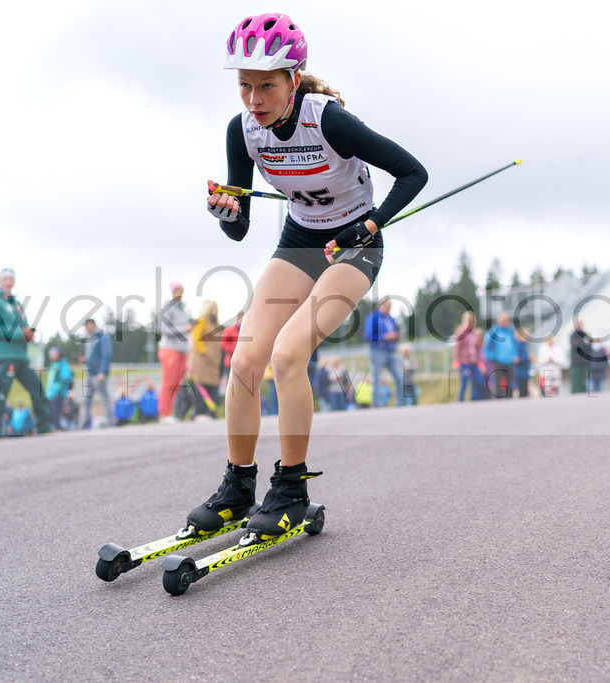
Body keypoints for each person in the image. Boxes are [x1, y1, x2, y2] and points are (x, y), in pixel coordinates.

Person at [187, 13, 427, 542]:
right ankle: (237, 487)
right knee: (246, 357)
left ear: (294, 79)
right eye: (244, 86)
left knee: (289, 354)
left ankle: (291, 489)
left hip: (354, 247)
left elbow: (413, 172)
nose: (254, 99)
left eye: (267, 85)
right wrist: (227, 212)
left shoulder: (330, 121)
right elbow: (240, 228)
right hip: (299, 242)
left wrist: (373, 222)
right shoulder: (242, 131)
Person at [0, 268, 52, 439]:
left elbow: (24, 327)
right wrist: (20, 334)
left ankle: (44, 429)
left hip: (22, 357)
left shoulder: (17, 304)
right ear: (0, 281)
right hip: (4, 356)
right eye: (5, 278)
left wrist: (28, 334)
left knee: (39, 391)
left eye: (11, 279)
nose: (8, 282)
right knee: (0, 395)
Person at [158, 282, 193, 423]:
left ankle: (169, 413)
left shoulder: (182, 309)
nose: (180, 293)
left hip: (181, 350)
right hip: (169, 349)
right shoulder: (168, 307)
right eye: (177, 290)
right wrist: (184, 328)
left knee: (177, 383)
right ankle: (164, 414)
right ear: (172, 291)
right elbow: (164, 329)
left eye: (182, 290)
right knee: (168, 382)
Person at [364, 298, 404, 408]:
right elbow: (368, 336)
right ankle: (377, 406)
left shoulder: (390, 319)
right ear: (380, 305)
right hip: (377, 351)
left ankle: (400, 404)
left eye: (390, 306)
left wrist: (396, 336)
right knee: (376, 379)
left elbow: (395, 332)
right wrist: (384, 337)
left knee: (400, 378)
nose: (389, 308)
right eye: (387, 306)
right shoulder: (373, 318)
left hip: (391, 351)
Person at [187, 301, 223, 419]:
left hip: (213, 363)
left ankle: (209, 414)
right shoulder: (201, 321)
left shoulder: (217, 325)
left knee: (212, 390)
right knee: (201, 390)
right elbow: (196, 337)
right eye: (214, 309)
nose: (216, 311)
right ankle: (198, 413)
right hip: (202, 362)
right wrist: (204, 351)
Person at [80, 318, 114, 429]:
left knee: (104, 398)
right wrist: (85, 360)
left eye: (87, 326)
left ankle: (110, 422)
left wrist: (102, 372)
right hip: (90, 373)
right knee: (86, 399)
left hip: (98, 374)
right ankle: (83, 424)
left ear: (92, 324)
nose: (86, 328)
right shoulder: (90, 339)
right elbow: (92, 357)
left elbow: (106, 355)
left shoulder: (102, 337)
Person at [482, 312, 518, 399]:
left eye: (508, 321)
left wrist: (515, 355)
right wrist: (490, 357)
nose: (507, 323)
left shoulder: (510, 331)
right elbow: (487, 346)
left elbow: (514, 344)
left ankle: (509, 399)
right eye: (505, 321)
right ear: (499, 321)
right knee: (497, 382)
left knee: (510, 382)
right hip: (498, 360)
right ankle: (496, 401)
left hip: (510, 360)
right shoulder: (493, 331)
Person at [452, 311, 480, 402]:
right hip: (464, 362)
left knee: (478, 381)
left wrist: (479, 361)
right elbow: (457, 348)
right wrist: (456, 360)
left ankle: (474, 400)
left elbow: (478, 348)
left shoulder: (474, 333)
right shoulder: (461, 332)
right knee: (464, 382)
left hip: (473, 361)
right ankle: (461, 401)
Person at [45, 347, 74, 430]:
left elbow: (65, 378)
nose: (52, 356)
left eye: (54, 354)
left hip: (58, 393)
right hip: (51, 393)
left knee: (56, 411)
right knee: (52, 411)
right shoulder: (53, 365)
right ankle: (54, 426)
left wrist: (58, 388)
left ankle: (57, 427)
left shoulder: (62, 364)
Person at [220, 310, 244, 396]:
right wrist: (235, 350)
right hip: (229, 362)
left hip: (242, 363)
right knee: (228, 384)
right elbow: (223, 344)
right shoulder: (230, 330)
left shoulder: (245, 331)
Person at [569, 319, 592, 394]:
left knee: (583, 382)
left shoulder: (586, 335)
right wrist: (584, 344)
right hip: (576, 363)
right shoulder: (573, 335)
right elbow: (576, 347)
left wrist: (583, 344)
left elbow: (589, 347)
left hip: (585, 362)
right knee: (576, 382)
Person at [513, 328, 533, 398]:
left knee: (525, 390)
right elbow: (517, 359)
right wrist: (528, 358)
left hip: (525, 371)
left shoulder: (525, 345)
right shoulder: (518, 344)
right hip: (520, 372)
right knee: (522, 390)